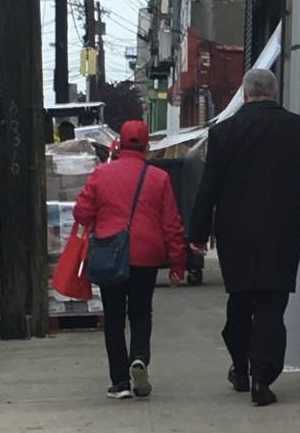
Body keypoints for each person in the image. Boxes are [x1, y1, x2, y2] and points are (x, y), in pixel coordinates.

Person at [188, 69, 300, 406]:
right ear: (274, 92)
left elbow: (209, 187)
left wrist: (196, 234)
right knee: (272, 304)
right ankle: (262, 376)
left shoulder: (223, 132)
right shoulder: (299, 128)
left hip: (235, 234)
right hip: (280, 233)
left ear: (245, 92)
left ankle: (240, 368)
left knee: (240, 301)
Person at [74, 120, 186, 400]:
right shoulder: (159, 178)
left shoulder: (101, 174)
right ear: (147, 146)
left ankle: (120, 381)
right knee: (140, 312)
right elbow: (172, 223)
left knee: (113, 318)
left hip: (112, 252)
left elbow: (81, 213)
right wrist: (177, 264)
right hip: (146, 254)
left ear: (119, 144)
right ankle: (139, 358)